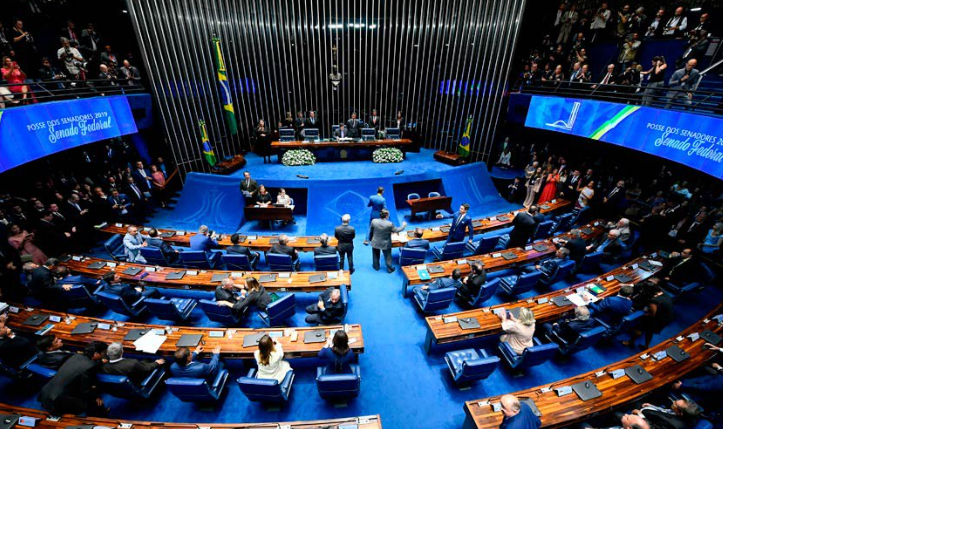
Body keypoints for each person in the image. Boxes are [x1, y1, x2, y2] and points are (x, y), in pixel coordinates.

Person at [38, 341, 109, 416]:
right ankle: (99, 417)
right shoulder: (89, 366)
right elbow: (85, 390)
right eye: (104, 353)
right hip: (58, 398)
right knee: (93, 400)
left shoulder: (76, 356)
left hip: (47, 391)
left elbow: (87, 365)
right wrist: (96, 397)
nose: (105, 354)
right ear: (96, 354)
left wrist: (100, 362)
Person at [624, 281, 674, 348]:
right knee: (649, 331)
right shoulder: (661, 292)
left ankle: (630, 342)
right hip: (666, 316)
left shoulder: (653, 301)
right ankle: (646, 346)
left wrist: (639, 315)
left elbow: (652, 314)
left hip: (658, 319)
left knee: (638, 328)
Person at [100, 342, 166, 385]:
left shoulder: (103, 366)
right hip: (137, 379)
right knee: (160, 361)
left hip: (126, 380)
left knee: (146, 360)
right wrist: (156, 362)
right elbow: (147, 368)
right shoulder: (132, 363)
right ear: (122, 352)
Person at [369, 209, 405, 273]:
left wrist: (370, 239)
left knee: (375, 255)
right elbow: (396, 230)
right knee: (388, 257)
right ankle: (389, 269)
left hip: (375, 242)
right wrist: (403, 226)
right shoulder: (389, 224)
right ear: (387, 216)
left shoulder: (373, 221)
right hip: (385, 244)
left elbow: (371, 231)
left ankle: (376, 267)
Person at [638, 398, 702, 429]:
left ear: (680, 413)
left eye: (675, 404)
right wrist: (653, 406)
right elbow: (666, 411)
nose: (673, 402)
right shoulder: (690, 413)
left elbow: (652, 428)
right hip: (652, 411)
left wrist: (640, 415)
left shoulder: (673, 425)